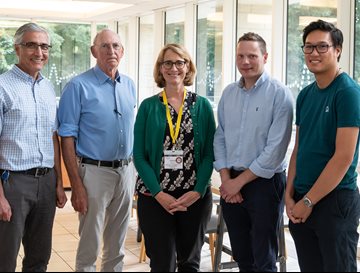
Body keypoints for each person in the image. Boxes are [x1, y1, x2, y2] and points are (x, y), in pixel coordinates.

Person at [213, 32, 294, 272]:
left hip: (265, 185)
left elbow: (275, 151)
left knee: (264, 257)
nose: (245, 61)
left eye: (252, 55)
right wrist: (228, 180)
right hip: (232, 182)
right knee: (242, 255)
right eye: (240, 56)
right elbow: (220, 138)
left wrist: (237, 183)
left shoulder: (280, 95)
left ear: (265, 57)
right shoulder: (229, 93)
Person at [57, 29, 136, 272]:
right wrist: (76, 185)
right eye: (104, 46)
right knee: (90, 242)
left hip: (126, 171)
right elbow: (66, 137)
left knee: (117, 243)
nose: (111, 51)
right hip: (94, 172)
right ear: (94, 51)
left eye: (115, 46)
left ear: (122, 51)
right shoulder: (77, 86)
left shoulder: (129, 85)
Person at [285, 19, 360, 272]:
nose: (314, 53)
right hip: (302, 196)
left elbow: (343, 157)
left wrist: (308, 202)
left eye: (322, 47)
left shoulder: (348, 92)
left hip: (334, 201)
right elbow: (299, 148)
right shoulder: (306, 95)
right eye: (308, 47)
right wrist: (289, 193)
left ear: (337, 50)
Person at [133, 43, 215, 272]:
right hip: (155, 197)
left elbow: (210, 153)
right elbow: (139, 155)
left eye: (180, 62)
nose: (174, 68)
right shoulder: (148, 107)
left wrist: (198, 191)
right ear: (160, 69)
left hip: (194, 198)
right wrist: (159, 194)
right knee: (162, 264)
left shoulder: (202, 106)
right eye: (167, 63)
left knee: (190, 263)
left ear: (188, 67)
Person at [0, 22, 67, 272]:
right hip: (13, 184)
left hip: (46, 183)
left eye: (44, 46)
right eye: (31, 45)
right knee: (5, 258)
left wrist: (59, 183)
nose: (39, 52)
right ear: (17, 48)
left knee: (40, 258)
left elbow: (53, 137)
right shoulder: (3, 86)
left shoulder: (48, 88)